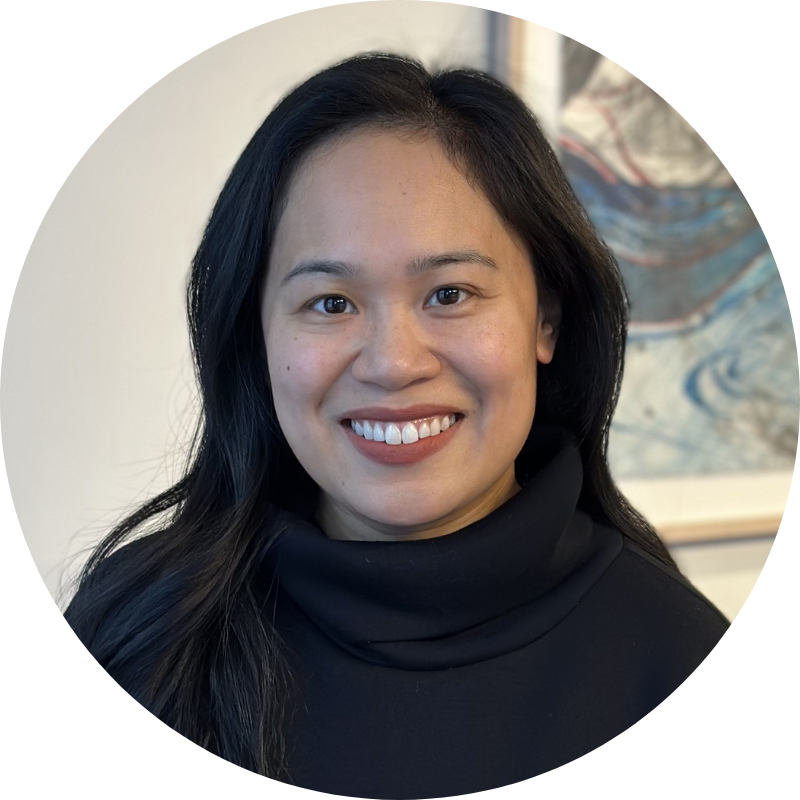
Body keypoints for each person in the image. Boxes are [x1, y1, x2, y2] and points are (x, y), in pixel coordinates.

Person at [65, 53, 728, 798]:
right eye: (331, 303)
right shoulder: (132, 635)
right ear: (257, 335)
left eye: (450, 293)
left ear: (545, 319)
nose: (393, 363)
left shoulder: (684, 669)